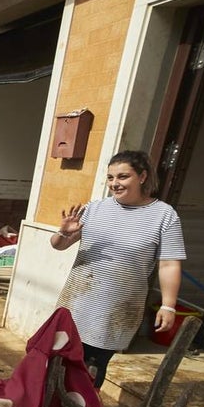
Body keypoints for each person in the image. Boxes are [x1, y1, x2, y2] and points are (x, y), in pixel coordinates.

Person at [51, 149, 187, 387]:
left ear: (142, 177)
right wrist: (63, 232)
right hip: (76, 302)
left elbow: (169, 263)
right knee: (57, 362)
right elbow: (59, 245)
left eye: (123, 177)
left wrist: (168, 305)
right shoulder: (94, 209)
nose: (115, 183)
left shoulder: (164, 216)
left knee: (92, 368)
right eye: (111, 177)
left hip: (118, 310)